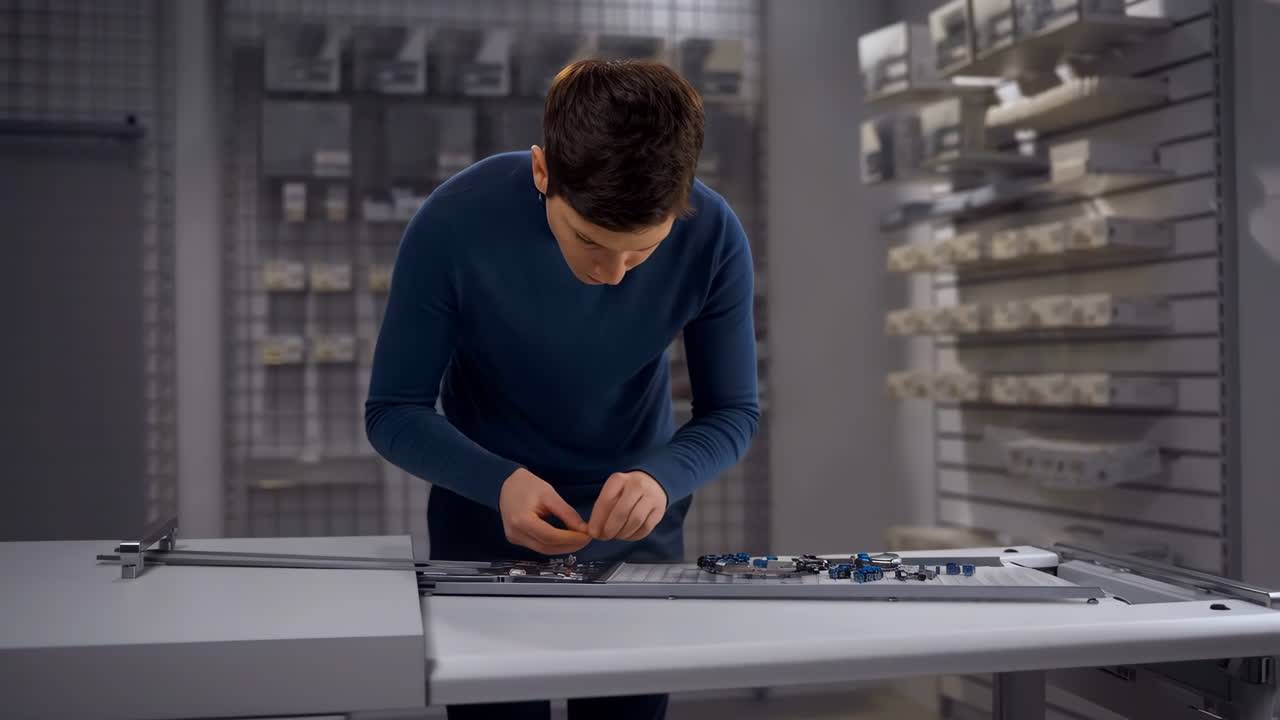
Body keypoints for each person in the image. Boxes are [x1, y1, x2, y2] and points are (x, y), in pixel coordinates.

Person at [365, 58, 760, 720]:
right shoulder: (454, 222)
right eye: (590, 241)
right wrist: (500, 484)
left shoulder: (714, 235)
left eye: (641, 253)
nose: (612, 275)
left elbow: (733, 413)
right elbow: (393, 411)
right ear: (542, 172)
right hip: (486, 527)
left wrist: (661, 479)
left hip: (639, 532)